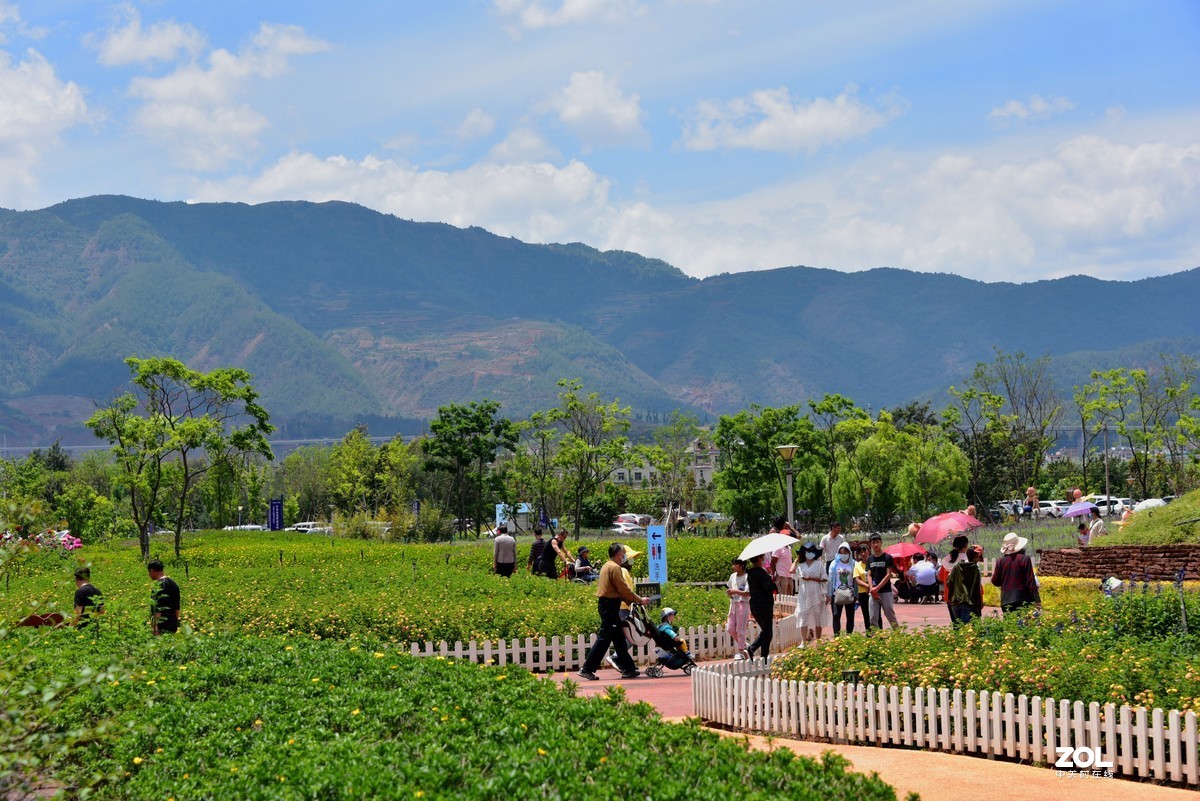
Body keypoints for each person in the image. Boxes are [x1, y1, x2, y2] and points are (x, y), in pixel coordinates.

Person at [578, 543, 650, 681]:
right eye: (623, 554)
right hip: (610, 606)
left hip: (607, 605)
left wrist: (634, 600)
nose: (625, 556)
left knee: (618, 639)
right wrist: (639, 600)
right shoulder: (615, 568)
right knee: (604, 638)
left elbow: (620, 591)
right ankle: (586, 669)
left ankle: (629, 669)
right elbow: (623, 589)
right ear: (618, 555)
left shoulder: (607, 565)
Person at [990, 532, 1041, 615]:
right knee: (1022, 625)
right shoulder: (1024, 559)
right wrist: (1037, 600)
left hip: (1006, 600)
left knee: (1010, 625)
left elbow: (995, 581)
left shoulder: (1000, 561)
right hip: (1022, 599)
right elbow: (1030, 581)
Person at [793, 544, 829, 642]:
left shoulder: (819, 564)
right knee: (803, 615)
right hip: (804, 594)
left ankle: (818, 640)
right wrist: (797, 559)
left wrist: (812, 578)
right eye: (808, 551)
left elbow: (825, 578)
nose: (810, 553)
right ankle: (803, 641)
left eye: (812, 550)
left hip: (816, 593)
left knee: (818, 617)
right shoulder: (801, 565)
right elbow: (791, 570)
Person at [745, 553, 777, 660]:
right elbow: (768, 588)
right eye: (762, 557)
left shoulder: (749, 573)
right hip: (764, 605)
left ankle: (760, 654)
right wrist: (773, 580)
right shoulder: (761, 573)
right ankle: (755, 651)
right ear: (759, 558)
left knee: (766, 631)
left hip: (754, 605)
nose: (763, 559)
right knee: (768, 633)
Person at [865, 534, 899, 629]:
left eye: (877, 542)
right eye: (873, 542)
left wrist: (877, 588)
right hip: (873, 593)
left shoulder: (887, 557)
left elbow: (888, 575)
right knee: (873, 617)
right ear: (870, 544)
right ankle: (875, 638)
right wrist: (872, 589)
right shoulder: (869, 559)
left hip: (886, 591)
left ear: (881, 543)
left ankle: (899, 636)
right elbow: (869, 575)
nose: (876, 544)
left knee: (890, 615)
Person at [948, 545, 984, 624]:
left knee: (957, 629)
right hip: (967, 602)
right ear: (977, 556)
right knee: (965, 630)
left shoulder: (957, 566)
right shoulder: (975, 569)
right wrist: (979, 605)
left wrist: (951, 597)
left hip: (955, 602)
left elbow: (949, 582)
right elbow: (977, 589)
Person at [938, 535, 971, 619]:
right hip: (965, 597)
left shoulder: (946, 560)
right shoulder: (968, 561)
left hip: (950, 597)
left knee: (956, 625)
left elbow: (941, 578)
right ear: (966, 545)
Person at [827, 543, 856, 636]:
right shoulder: (834, 564)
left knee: (850, 616)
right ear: (838, 553)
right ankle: (837, 637)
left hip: (850, 593)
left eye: (846, 552)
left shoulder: (853, 563)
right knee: (836, 615)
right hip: (837, 593)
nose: (843, 555)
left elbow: (856, 578)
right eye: (841, 553)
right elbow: (830, 580)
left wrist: (856, 593)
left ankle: (849, 636)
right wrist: (829, 593)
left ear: (849, 553)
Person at [725, 558, 751, 659]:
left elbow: (748, 592)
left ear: (741, 565)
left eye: (735, 564)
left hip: (743, 603)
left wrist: (734, 591)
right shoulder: (732, 576)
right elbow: (730, 587)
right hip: (733, 604)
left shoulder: (747, 576)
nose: (733, 566)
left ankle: (740, 651)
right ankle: (744, 645)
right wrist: (730, 592)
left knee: (740, 629)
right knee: (730, 628)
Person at [148, 558, 181, 635]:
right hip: (173, 621)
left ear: (152, 571)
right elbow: (177, 607)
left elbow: (158, 609)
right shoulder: (174, 584)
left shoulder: (157, 586)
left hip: (162, 623)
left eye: (149, 572)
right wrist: (175, 621)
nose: (149, 575)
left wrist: (154, 626)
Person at [769, 517, 795, 595]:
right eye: (785, 535)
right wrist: (773, 575)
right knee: (783, 598)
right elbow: (773, 562)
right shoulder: (778, 547)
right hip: (781, 577)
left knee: (790, 597)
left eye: (788, 535)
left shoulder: (789, 548)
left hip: (789, 576)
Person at [854, 543, 872, 632]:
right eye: (860, 552)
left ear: (868, 551)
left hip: (874, 592)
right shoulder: (857, 565)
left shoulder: (873, 563)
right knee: (866, 615)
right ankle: (869, 635)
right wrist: (868, 586)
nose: (863, 553)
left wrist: (872, 587)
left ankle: (879, 635)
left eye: (864, 551)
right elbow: (857, 580)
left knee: (876, 614)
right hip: (863, 594)